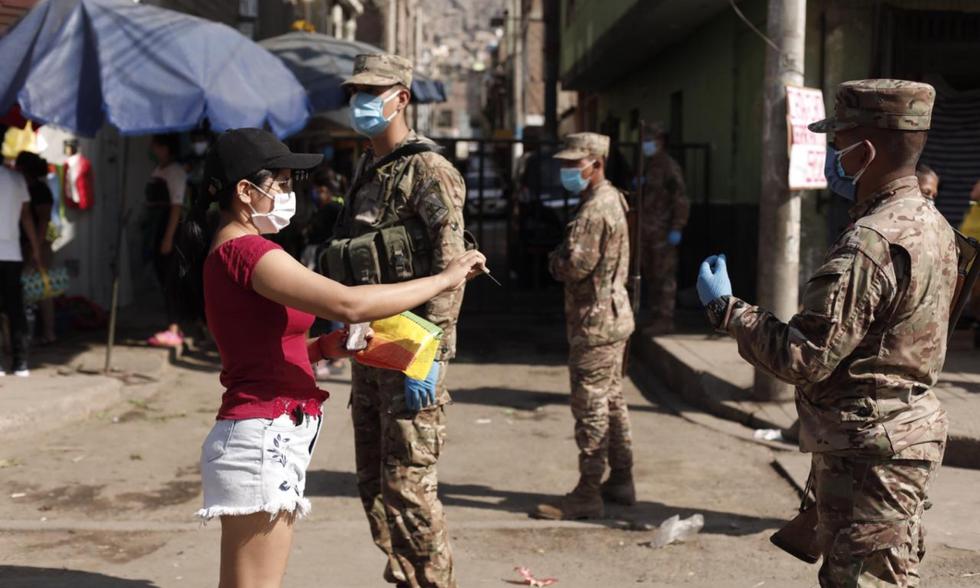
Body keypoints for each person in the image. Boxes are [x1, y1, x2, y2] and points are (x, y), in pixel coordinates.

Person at [171, 128, 485, 588]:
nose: (288, 192)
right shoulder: (248, 251)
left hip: (265, 434)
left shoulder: (235, 251)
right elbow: (348, 303)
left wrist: (323, 349)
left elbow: (258, 347)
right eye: (280, 181)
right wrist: (446, 278)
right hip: (261, 438)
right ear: (245, 190)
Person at [697, 80, 953, 586]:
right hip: (893, 437)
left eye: (839, 143)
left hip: (870, 450)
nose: (832, 154)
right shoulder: (932, 224)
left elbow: (803, 357)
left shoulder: (872, 242)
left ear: (867, 150)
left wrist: (727, 310)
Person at [323, 53, 468, 588]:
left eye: (371, 93)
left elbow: (452, 270)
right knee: (373, 483)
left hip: (412, 348)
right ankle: (407, 577)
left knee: (409, 487)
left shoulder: (429, 171)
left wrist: (430, 357)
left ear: (401, 98)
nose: (360, 104)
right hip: (371, 344)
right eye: (355, 94)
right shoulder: (368, 167)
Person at [532, 132, 635, 520]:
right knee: (612, 401)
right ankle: (622, 479)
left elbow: (574, 265)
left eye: (573, 164)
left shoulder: (595, 210)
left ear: (596, 163)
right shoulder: (610, 199)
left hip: (594, 324)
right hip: (612, 316)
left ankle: (588, 493)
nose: (566, 170)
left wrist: (552, 258)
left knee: (591, 407)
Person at [638, 121, 689, 335]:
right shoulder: (649, 165)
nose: (646, 144)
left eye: (650, 140)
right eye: (645, 140)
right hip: (648, 230)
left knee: (664, 275)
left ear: (660, 141)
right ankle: (654, 316)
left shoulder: (669, 167)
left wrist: (677, 227)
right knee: (650, 274)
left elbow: (680, 199)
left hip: (663, 231)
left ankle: (665, 319)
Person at [0, 145, 43, 377]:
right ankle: (21, 363)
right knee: (15, 308)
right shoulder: (17, 179)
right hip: (12, 253)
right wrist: (36, 249)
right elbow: (26, 217)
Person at [146, 133, 187, 348]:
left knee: (171, 279)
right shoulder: (158, 169)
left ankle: (174, 327)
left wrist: (168, 237)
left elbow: (176, 206)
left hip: (169, 227)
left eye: (157, 145)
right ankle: (173, 324)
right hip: (156, 226)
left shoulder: (176, 172)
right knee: (162, 277)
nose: (153, 149)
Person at [15, 151, 56, 344]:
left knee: (41, 289)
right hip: (28, 243)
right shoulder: (28, 188)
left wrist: (36, 249)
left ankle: (48, 332)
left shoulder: (40, 191)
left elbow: (43, 222)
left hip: (39, 244)